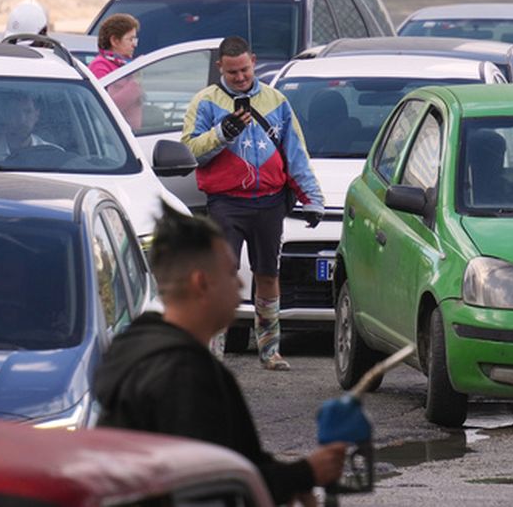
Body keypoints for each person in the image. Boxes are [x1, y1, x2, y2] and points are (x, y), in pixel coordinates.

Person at [94, 203, 346, 506]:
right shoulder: (183, 374)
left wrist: (292, 478)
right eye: (230, 272)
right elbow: (210, 485)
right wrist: (305, 473)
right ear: (202, 283)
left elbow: (232, 459)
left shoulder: (140, 348)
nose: (240, 284)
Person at [181, 36, 325, 370]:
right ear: (220, 68)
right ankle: (212, 351)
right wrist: (223, 133)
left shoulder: (276, 101)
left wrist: (313, 198)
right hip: (226, 203)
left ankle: (270, 350)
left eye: (244, 70)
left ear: (254, 61)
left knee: (268, 274)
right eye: (232, 72)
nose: (240, 77)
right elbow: (190, 152)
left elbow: (295, 153)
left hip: (270, 203)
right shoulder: (205, 102)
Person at [0, 93, 59, 163]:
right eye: (14, 112)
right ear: (5, 115)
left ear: (37, 115)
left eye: (27, 112)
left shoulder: (54, 155)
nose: (21, 119)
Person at [88, 13, 143, 130]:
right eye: (130, 39)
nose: (134, 45)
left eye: (135, 39)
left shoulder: (126, 65)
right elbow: (105, 106)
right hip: (112, 135)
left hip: (133, 132)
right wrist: (134, 84)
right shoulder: (99, 66)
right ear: (114, 41)